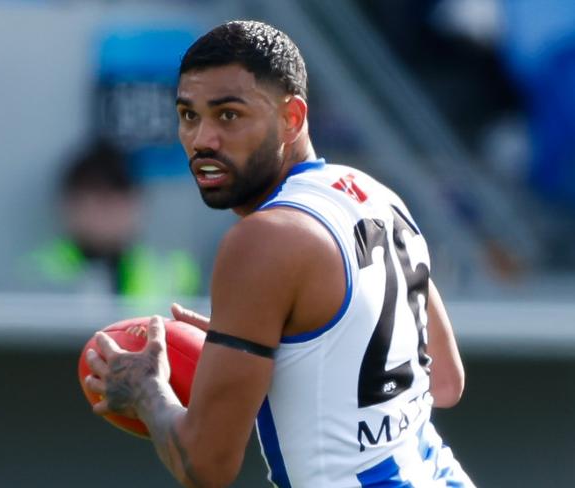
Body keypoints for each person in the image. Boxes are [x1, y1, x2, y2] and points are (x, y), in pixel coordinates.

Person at [85, 20, 474, 487]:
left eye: (228, 115)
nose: (203, 139)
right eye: (189, 115)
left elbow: (205, 466)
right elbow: (446, 383)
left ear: (291, 118)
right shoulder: (375, 196)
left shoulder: (262, 241)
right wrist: (283, 347)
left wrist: (146, 391)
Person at [23, 139, 200, 297]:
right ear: (69, 204)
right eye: (100, 199)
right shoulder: (37, 272)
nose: (111, 211)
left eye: (122, 197)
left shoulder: (174, 270)